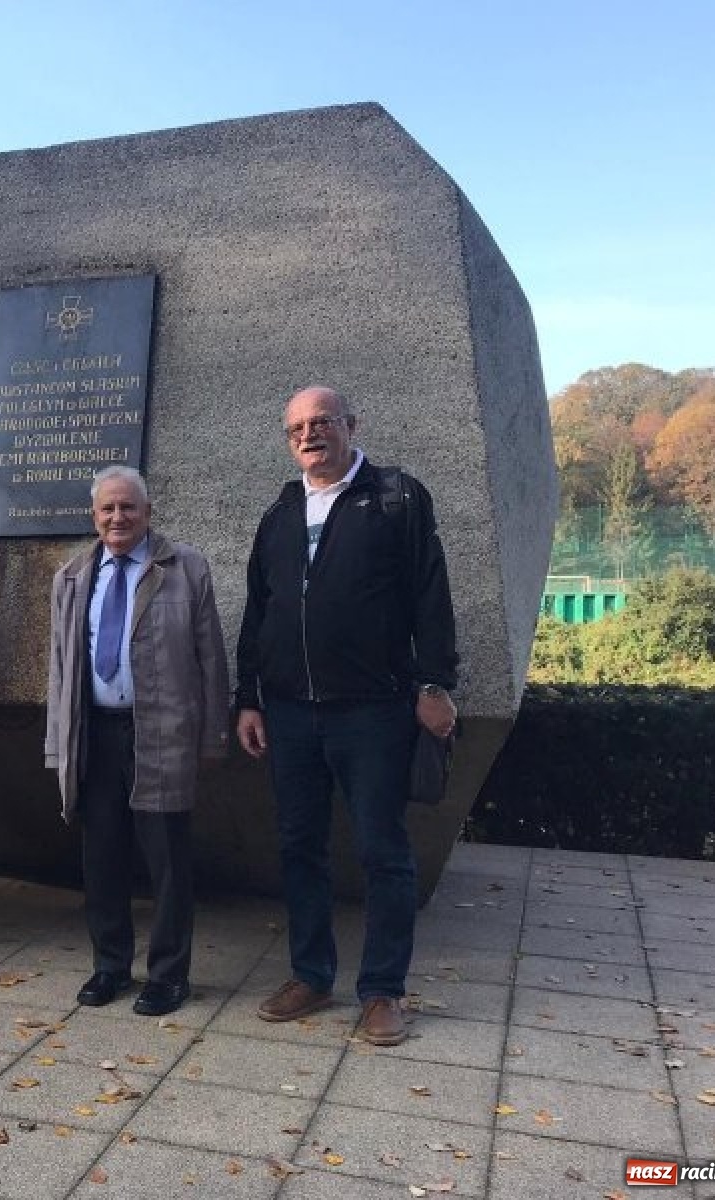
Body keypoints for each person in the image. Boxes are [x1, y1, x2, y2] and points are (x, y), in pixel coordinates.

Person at [234, 385, 458, 1046]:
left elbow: (430, 595)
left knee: (381, 850)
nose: (310, 435)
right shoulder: (279, 513)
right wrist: (249, 697)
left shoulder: (395, 498)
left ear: (350, 426)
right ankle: (311, 974)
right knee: (299, 847)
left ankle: (384, 990)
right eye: (298, 427)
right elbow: (259, 610)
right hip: (291, 714)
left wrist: (435, 682)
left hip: (373, 712)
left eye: (322, 422)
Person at [45, 466, 230, 1018]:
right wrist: (58, 745)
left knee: (166, 859)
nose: (118, 518)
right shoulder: (74, 576)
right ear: (94, 516)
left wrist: (213, 734)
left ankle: (169, 975)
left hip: (162, 731)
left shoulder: (186, 568)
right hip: (95, 734)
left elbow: (211, 659)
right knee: (101, 855)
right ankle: (110, 966)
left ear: (148, 512)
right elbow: (59, 668)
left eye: (129, 508)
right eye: (108, 509)